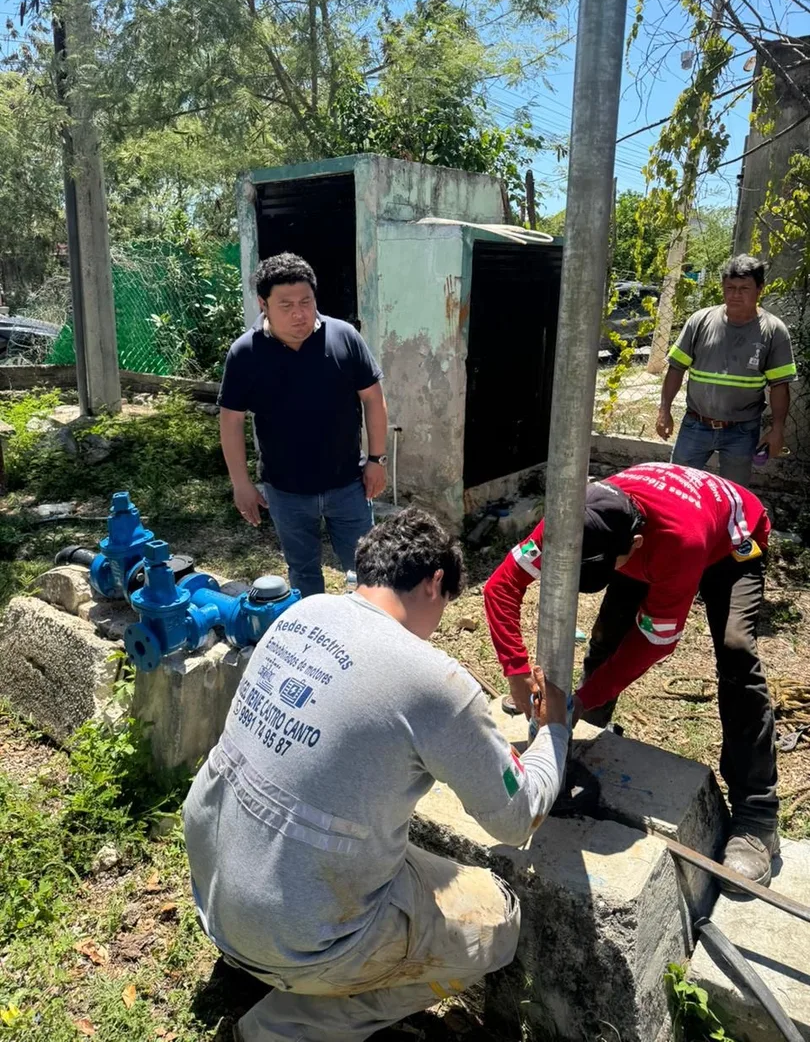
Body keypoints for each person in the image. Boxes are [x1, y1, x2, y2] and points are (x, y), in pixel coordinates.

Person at [183, 508, 569, 1042]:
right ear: (436, 582)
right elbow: (518, 816)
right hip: (289, 933)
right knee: (498, 924)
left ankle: (263, 960)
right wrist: (554, 733)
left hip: (216, 893)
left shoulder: (301, 613)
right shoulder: (433, 681)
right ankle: (283, 1028)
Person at [483, 463, 779, 886]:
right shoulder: (571, 518)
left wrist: (581, 699)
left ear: (633, 545)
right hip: (649, 536)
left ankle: (757, 818)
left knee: (736, 655)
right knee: (606, 634)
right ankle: (580, 737)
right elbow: (500, 588)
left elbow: (656, 640)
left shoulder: (679, 543)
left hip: (731, 543)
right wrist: (515, 670)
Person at [218, 252, 389, 596]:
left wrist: (376, 460)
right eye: (286, 305)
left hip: (348, 485)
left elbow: (373, 398)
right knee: (304, 573)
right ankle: (314, 640)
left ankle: (370, 640)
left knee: (370, 572)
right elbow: (231, 421)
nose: (299, 313)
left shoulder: (343, 337)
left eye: (306, 301)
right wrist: (241, 484)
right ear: (262, 303)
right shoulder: (246, 354)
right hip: (286, 491)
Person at [656, 254, 797, 487]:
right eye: (730, 287)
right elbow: (676, 368)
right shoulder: (700, 321)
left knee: (733, 495)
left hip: (742, 431)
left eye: (744, 288)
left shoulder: (774, 331)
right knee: (678, 487)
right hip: (695, 425)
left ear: (759, 289)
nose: (735, 295)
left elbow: (780, 386)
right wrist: (664, 410)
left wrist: (777, 429)